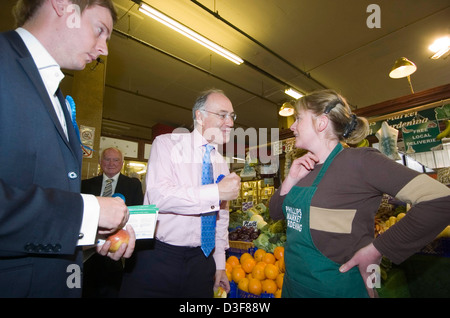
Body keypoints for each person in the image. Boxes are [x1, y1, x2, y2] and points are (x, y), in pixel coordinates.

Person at [0, 0, 135, 298]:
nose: (104, 49)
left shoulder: (59, 98)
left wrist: (92, 230)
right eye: (99, 30)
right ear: (63, 6)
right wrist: (87, 212)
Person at [269, 89, 450, 298]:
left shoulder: (361, 161)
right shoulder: (303, 167)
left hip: (337, 289)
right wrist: (291, 179)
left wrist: (377, 249)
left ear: (321, 123)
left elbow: (441, 200)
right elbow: (275, 213)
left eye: (298, 119)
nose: (291, 126)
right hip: (294, 287)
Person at [120, 89, 241, 298]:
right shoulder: (167, 144)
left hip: (202, 261)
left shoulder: (221, 163)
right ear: (200, 116)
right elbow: (160, 196)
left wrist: (219, 263)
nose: (230, 123)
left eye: (232, 116)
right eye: (223, 115)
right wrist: (216, 191)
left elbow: (221, 217)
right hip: (159, 257)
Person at [81, 147, 144, 297]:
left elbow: (136, 214)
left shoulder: (133, 185)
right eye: (107, 159)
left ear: (122, 163)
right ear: (100, 162)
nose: (111, 163)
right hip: (89, 251)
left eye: (115, 160)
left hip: (118, 251)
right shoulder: (85, 185)